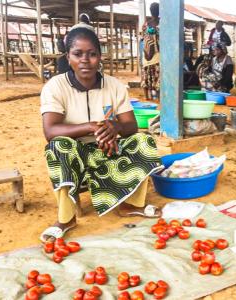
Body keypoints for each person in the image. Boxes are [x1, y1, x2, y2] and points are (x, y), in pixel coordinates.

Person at [39, 27, 162, 242]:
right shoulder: (55, 87)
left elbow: (131, 125)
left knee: (144, 140)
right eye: (78, 54)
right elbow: (50, 130)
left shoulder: (114, 86)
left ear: (99, 57)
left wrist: (115, 127)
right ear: (68, 58)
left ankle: (130, 204)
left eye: (92, 53)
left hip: (108, 151)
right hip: (75, 155)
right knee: (58, 146)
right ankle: (66, 219)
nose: (85, 60)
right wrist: (90, 127)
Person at [141, 2, 160, 100]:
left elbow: (143, 38)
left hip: (149, 52)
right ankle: (156, 97)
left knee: (148, 74)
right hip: (154, 52)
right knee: (156, 74)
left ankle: (148, 97)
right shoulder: (161, 23)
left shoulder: (146, 24)